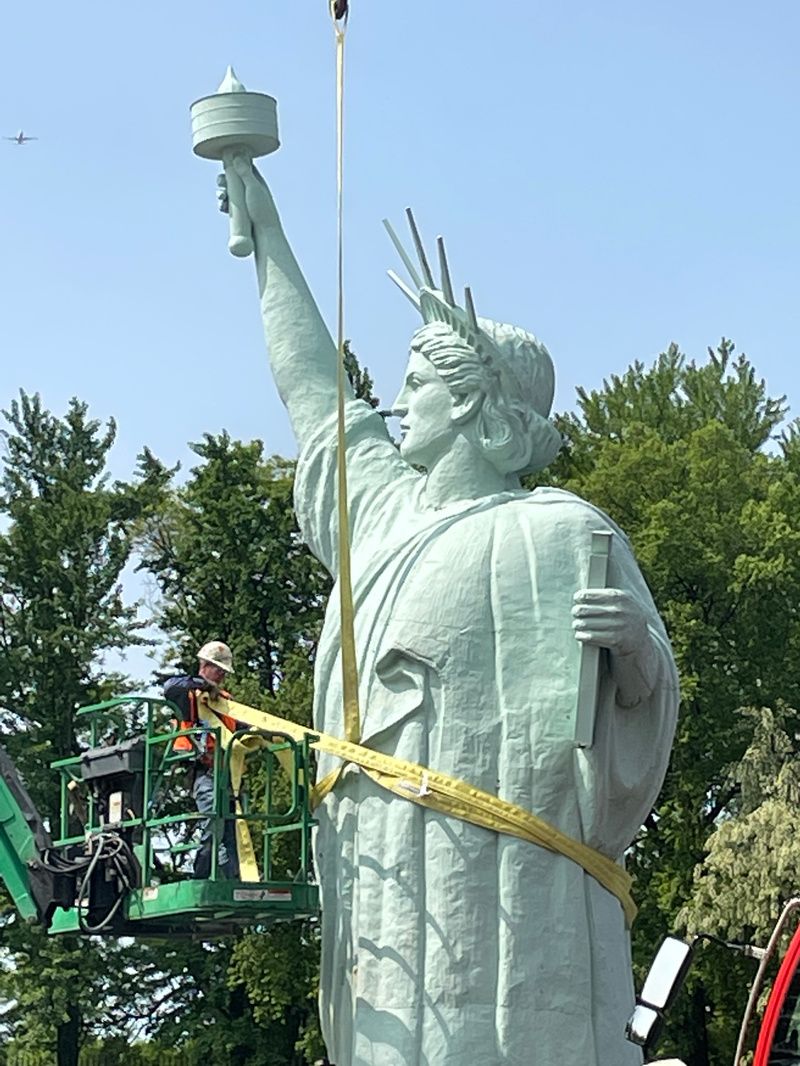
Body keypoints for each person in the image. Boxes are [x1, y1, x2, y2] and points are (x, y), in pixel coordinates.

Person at [218, 156, 680, 1066]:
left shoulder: (560, 532)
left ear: (472, 404)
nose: (396, 402)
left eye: (419, 383)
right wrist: (266, 236)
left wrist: (637, 651)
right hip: (384, 889)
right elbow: (317, 396)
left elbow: (642, 716)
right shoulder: (381, 517)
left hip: (517, 906)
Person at [163, 641, 240, 880]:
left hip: (226, 776)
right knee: (214, 823)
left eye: (224, 672)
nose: (222, 676)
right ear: (204, 666)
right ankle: (201, 878)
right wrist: (202, 684)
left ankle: (232, 880)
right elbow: (169, 687)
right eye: (218, 670)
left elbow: (243, 727)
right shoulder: (188, 695)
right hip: (202, 773)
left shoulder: (226, 702)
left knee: (231, 831)